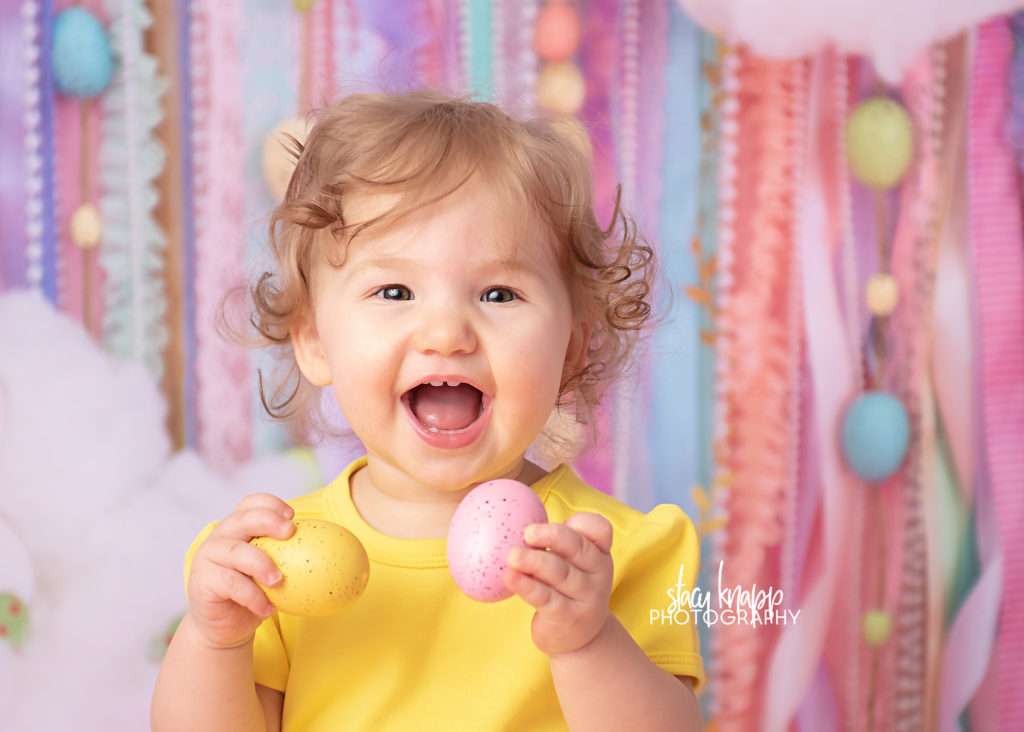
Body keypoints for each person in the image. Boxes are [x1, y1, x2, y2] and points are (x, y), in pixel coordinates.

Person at [151, 89, 705, 731]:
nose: (447, 331)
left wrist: (588, 640)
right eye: (395, 290)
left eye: (500, 293)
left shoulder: (613, 554)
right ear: (313, 341)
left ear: (570, 351)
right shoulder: (273, 562)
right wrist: (214, 640)